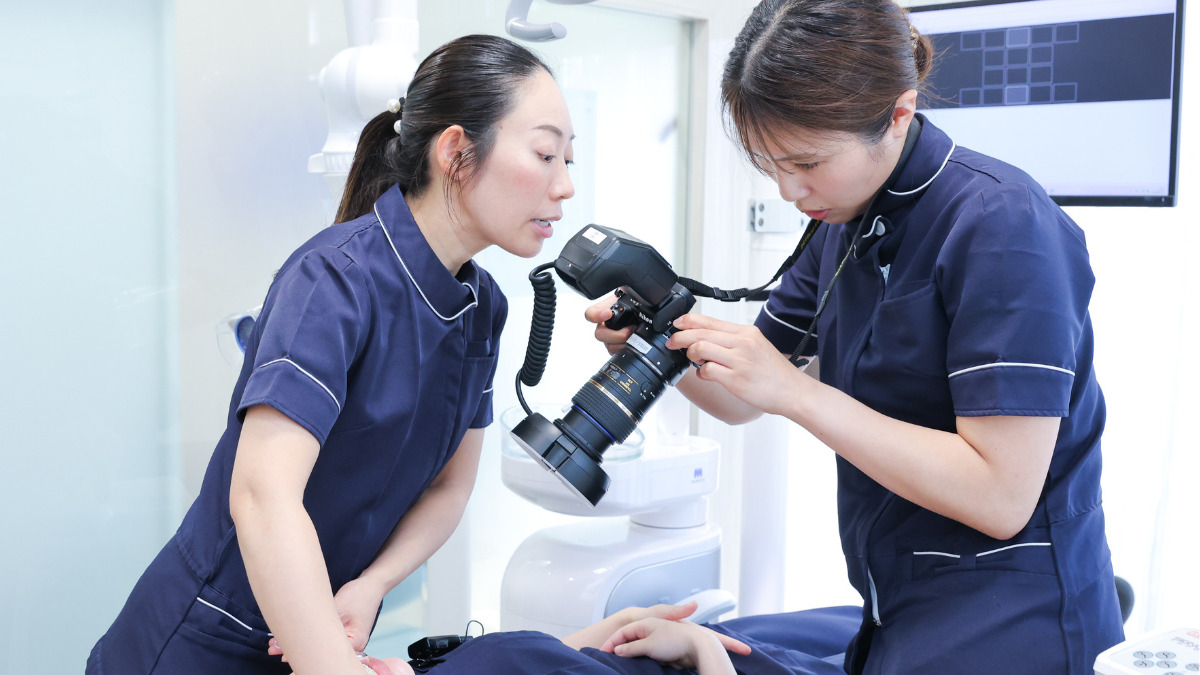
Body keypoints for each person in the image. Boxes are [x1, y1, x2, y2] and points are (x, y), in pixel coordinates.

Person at [587, 1, 1124, 673]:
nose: (788, 189)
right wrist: (655, 345)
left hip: (1015, 618)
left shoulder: (1003, 225)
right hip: (897, 603)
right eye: (768, 162)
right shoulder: (845, 221)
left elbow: (1001, 495)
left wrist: (796, 393)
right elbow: (745, 396)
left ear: (898, 115)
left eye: (807, 161)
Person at [87, 34, 575, 675]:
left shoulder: (482, 305)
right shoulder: (333, 279)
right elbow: (264, 495)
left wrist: (372, 585)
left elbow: (450, 488)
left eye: (570, 159)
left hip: (318, 641)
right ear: (456, 151)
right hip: (205, 639)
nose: (564, 186)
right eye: (545, 154)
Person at [280, 601, 863, 675]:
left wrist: (621, 622)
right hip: (717, 665)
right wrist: (701, 651)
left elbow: (554, 660)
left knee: (873, 621)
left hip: (681, 645)